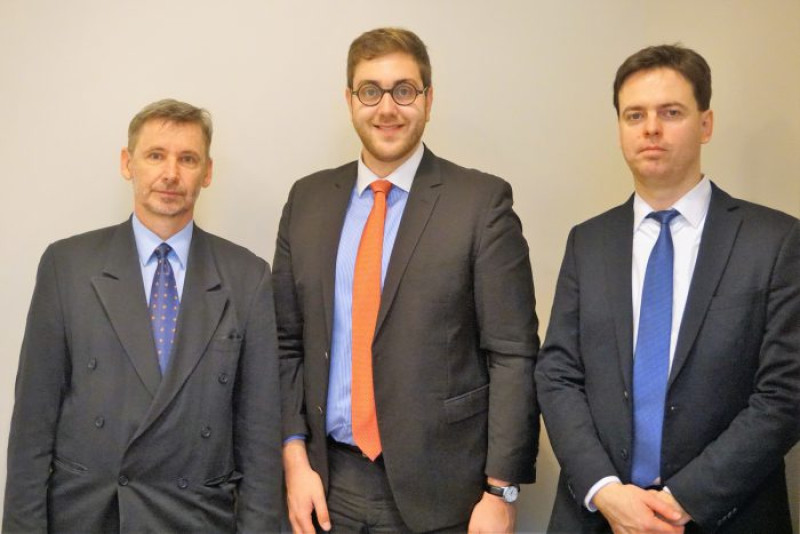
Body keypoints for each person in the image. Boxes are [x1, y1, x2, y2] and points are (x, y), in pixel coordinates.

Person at [274, 27, 539, 533]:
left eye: (404, 90)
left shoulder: (480, 204)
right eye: (370, 91)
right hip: (327, 485)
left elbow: (513, 353)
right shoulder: (307, 201)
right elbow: (286, 345)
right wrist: (294, 459)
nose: (387, 108)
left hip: (446, 492)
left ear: (429, 100)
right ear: (349, 101)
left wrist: (501, 490)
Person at [536, 44, 800, 533]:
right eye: (634, 115)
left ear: (706, 124)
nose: (651, 128)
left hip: (724, 515)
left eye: (671, 112)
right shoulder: (588, 242)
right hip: (599, 516)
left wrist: (680, 503)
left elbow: (786, 393)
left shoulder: (776, 241)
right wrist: (605, 491)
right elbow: (557, 375)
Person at [3, 99, 282, 533]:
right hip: (90, 517)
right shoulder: (67, 266)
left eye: (187, 159)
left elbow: (260, 440)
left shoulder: (247, 277)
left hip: (198, 518)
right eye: (155, 155)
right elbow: (31, 427)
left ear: (207, 172)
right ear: (126, 163)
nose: (170, 174)